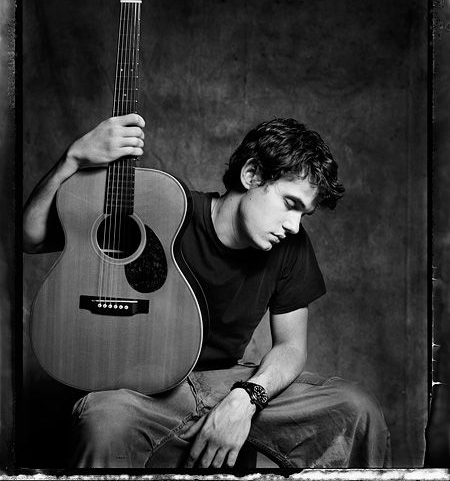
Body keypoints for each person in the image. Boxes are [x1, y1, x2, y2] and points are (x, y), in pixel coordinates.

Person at [23, 114, 391, 469]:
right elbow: (32, 236)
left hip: (230, 382)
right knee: (103, 421)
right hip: (150, 394)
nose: (294, 226)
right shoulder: (166, 207)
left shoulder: (291, 248)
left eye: (304, 215)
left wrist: (245, 399)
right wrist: (72, 157)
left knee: (356, 409)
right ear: (251, 175)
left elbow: (291, 347)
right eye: (290, 204)